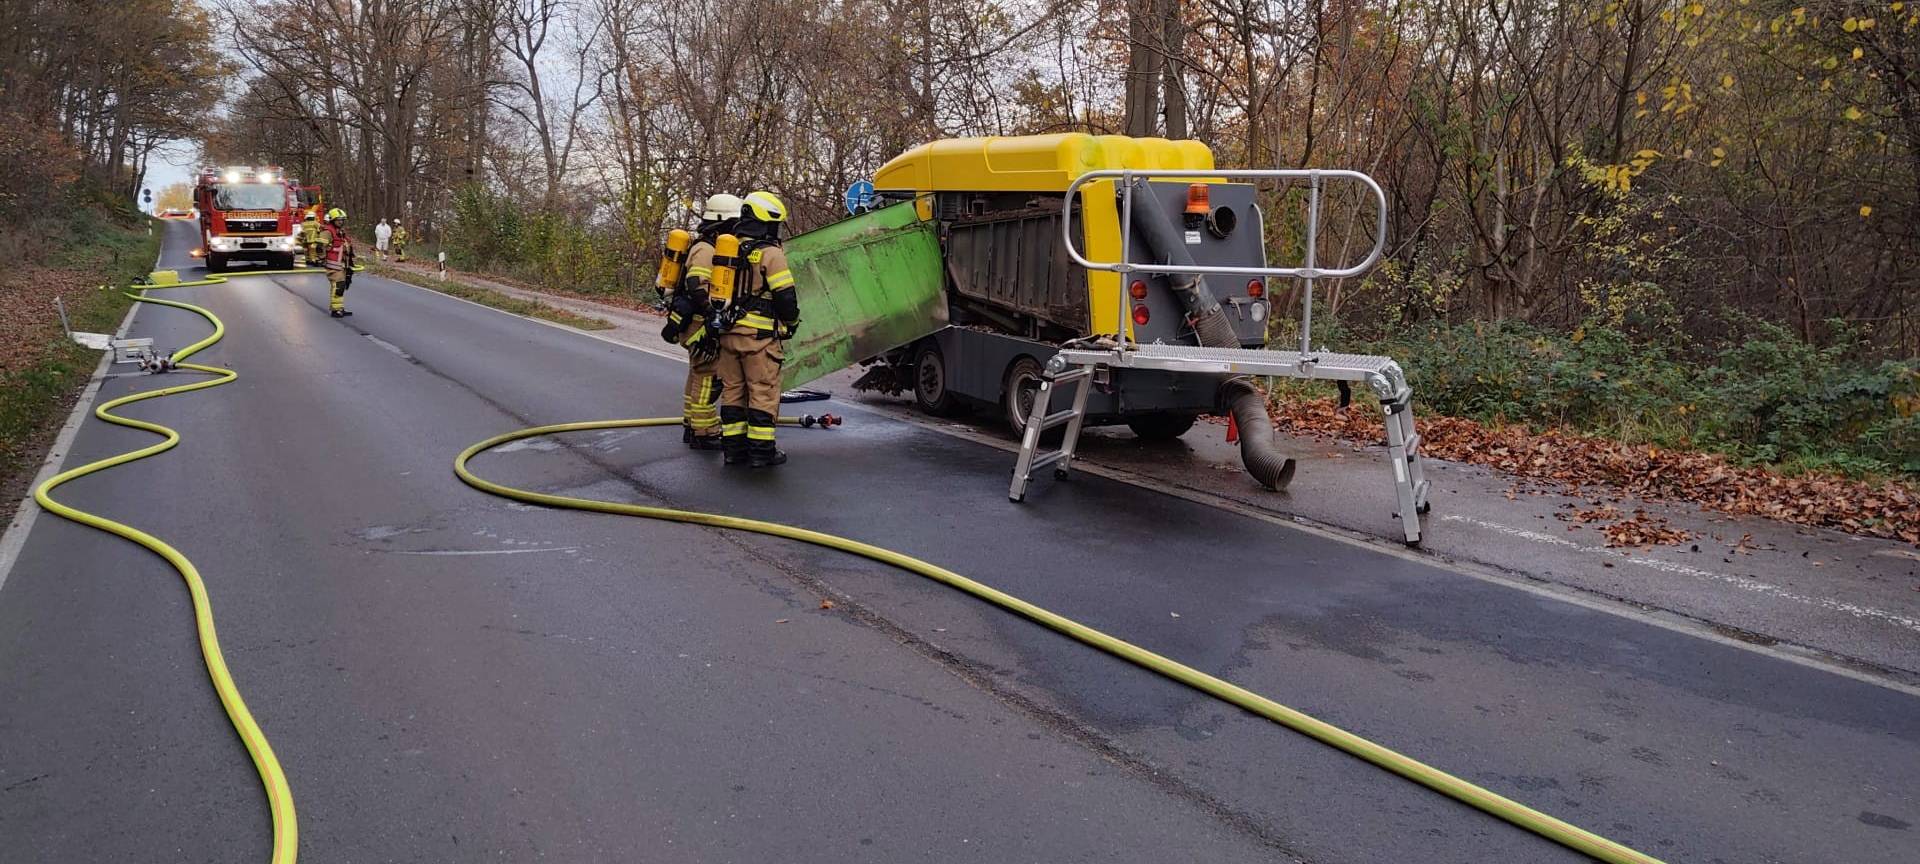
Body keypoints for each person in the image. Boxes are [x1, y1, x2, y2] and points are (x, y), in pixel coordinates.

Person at [714, 190, 799, 468]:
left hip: (728, 336)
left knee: (733, 392)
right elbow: (785, 296)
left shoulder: (728, 249)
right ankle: (762, 453)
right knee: (762, 392)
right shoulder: (770, 254)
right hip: (759, 340)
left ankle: (733, 451)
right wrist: (792, 323)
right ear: (767, 222)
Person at [661, 193, 742, 450]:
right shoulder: (706, 249)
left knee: (697, 374)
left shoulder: (705, 245)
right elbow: (696, 284)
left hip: (693, 322)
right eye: (733, 223)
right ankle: (704, 431)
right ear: (722, 223)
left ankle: (691, 423)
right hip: (698, 324)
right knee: (708, 376)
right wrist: (713, 314)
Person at [321, 208, 356, 317]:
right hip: (333, 265)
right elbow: (320, 247)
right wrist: (321, 259)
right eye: (338, 220)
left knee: (340, 286)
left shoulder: (340, 232)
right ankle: (336, 310)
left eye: (342, 220)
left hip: (342, 264)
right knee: (338, 285)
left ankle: (339, 308)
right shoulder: (327, 232)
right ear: (332, 220)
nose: (341, 222)